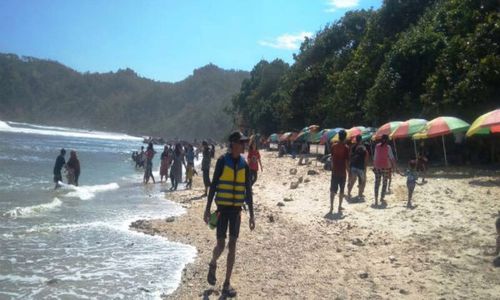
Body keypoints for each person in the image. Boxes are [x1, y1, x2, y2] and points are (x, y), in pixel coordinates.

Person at [203, 131, 255, 297]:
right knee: (220, 245)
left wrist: (252, 215)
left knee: (232, 245)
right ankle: (213, 263)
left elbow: (248, 191)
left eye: (244, 143)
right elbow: (213, 186)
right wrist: (207, 208)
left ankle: (226, 283)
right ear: (233, 144)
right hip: (222, 211)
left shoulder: (244, 165)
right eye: (241, 142)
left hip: (236, 212)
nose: (244, 145)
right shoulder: (221, 161)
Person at [373, 134, 397, 207]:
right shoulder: (388, 147)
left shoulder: (377, 146)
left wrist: (374, 166)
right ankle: (382, 197)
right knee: (384, 182)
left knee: (377, 183)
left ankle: (376, 199)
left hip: (377, 167)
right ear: (387, 140)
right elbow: (392, 158)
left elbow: (375, 157)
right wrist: (395, 167)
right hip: (385, 167)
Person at [330, 130, 349, 214]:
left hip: (334, 171)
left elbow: (331, 158)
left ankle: (331, 207)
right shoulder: (346, 147)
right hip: (342, 172)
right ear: (345, 137)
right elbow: (346, 161)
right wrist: (349, 172)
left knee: (332, 190)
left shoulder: (333, 146)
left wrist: (332, 167)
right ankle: (339, 206)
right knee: (341, 190)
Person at [347, 135, 369, 199]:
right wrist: (365, 167)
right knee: (362, 181)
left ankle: (348, 193)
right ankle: (360, 194)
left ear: (356, 140)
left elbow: (350, 155)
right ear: (361, 140)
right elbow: (366, 157)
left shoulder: (353, 147)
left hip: (353, 165)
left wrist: (350, 165)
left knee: (352, 180)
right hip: (360, 166)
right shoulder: (363, 147)